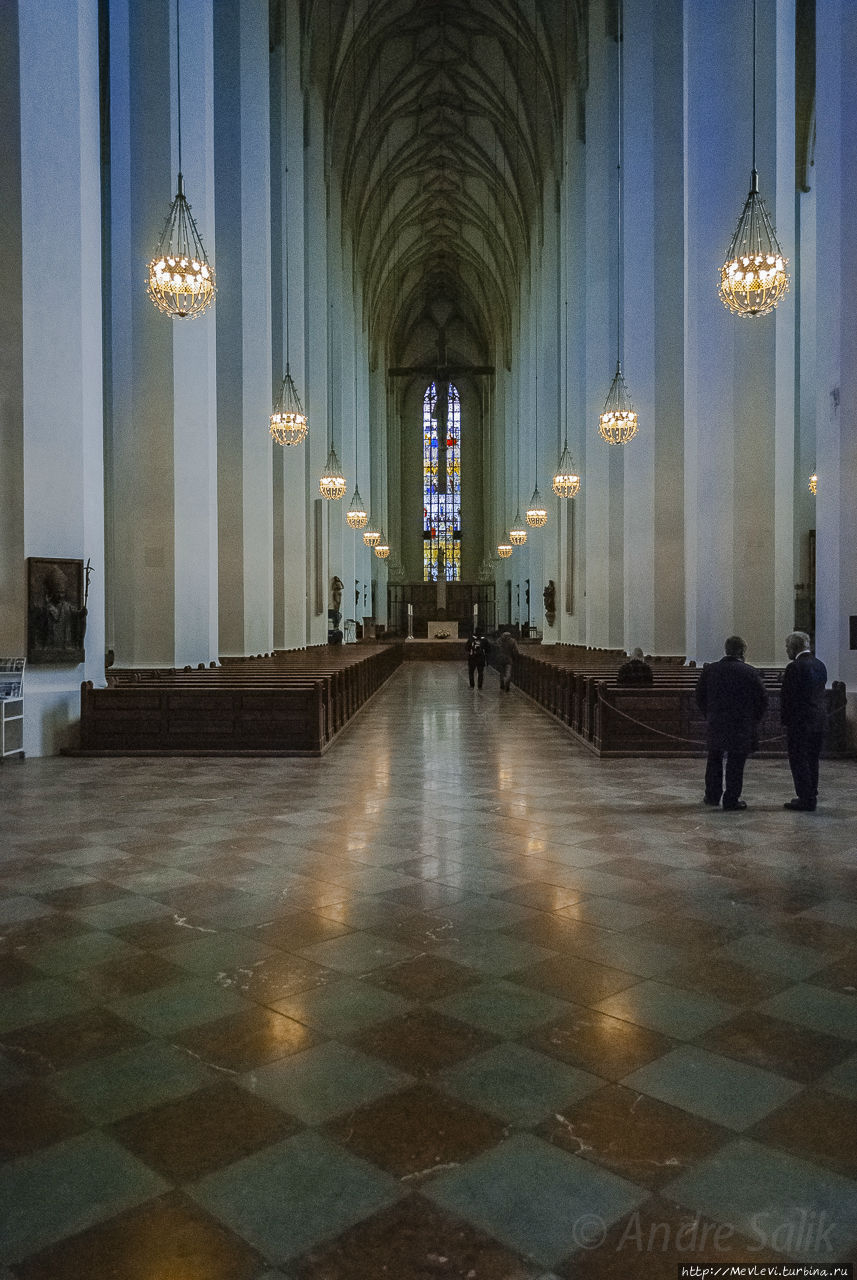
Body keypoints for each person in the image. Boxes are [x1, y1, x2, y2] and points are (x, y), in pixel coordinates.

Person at [695, 635, 767, 810]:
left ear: (726, 650)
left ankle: (712, 796)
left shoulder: (710, 670)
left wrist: (709, 714)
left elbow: (699, 696)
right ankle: (731, 799)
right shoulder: (750, 672)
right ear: (742, 651)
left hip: (717, 722)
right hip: (741, 725)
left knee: (714, 760)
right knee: (736, 763)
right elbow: (762, 700)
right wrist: (753, 719)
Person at [780, 631, 827, 811]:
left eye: (787, 647)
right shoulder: (819, 664)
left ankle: (804, 798)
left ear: (793, 647)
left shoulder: (795, 667)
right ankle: (811, 794)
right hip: (818, 721)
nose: (786, 651)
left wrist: (785, 721)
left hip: (800, 723)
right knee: (813, 760)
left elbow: (789, 697)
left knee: (799, 761)